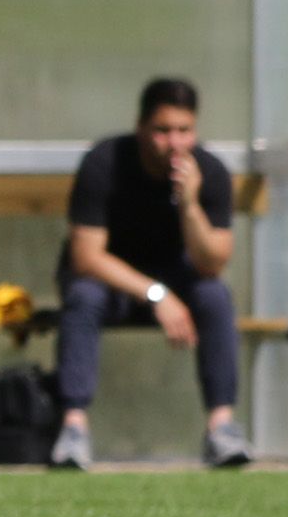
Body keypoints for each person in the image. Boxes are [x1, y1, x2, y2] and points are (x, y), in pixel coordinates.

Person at [50, 77, 247, 471]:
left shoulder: (209, 172)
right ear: (140, 127)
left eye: (184, 130)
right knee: (83, 297)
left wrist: (189, 205)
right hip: (112, 283)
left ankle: (222, 428)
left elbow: (213, 262)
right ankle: (73, 429)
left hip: (173, 283)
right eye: (162, 130)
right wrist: (158, 295)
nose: (174, 143)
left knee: (214, 295)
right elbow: (86, 258)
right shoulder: (105, 162)